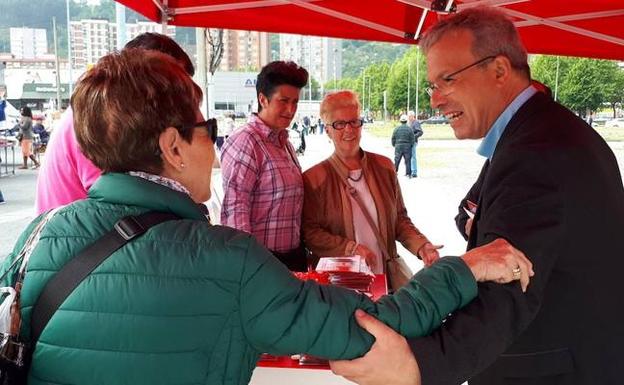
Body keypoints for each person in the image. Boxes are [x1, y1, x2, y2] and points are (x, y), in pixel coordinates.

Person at [0, 48, 534, 385]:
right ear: (173, 146)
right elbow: (375, 326)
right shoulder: (224, 259)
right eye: (205, 125)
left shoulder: (36, 236)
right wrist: (467, 268)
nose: (216, 140)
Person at [329, 6, 624, 385]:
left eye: (446, 80)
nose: (435, 99)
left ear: (499, 70)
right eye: (431, 86)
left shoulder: (537, 151)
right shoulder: (544, 132)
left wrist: (418, 364)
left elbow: (508, 289)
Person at [35, 32, 195, 215]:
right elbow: (118, 203)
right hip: (77, 236)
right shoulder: (100, 120)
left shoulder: (98, 111)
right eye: (173, 85)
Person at [302, 91, 440, 290]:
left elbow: (399, 220)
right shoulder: (314, 179)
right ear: (327, 130)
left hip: (385, 280)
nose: (349, 130)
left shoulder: (384, 167)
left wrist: (422, 246)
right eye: (339, 124)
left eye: (354, 122)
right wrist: (351, 249)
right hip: (341, 286)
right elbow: (310, 234)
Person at [220, 61, 309, 271]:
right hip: (261, 264)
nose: (291, 110)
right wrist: (250, 268)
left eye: (295, 102)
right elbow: (235, 210)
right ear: (263, 99)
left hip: (292, 260)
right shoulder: (246, 142)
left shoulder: (284, 142)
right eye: (284, 101)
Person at [407, 111, 423, 178]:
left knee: (413, 157)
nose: (408, 117)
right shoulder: (409, 123)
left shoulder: (416, 122)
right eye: (408, 116)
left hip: (413, 142)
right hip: (408, 142)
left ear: (412, 116)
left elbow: (420, 132)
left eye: (409, 116)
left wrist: (413, 136)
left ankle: (414, 172)